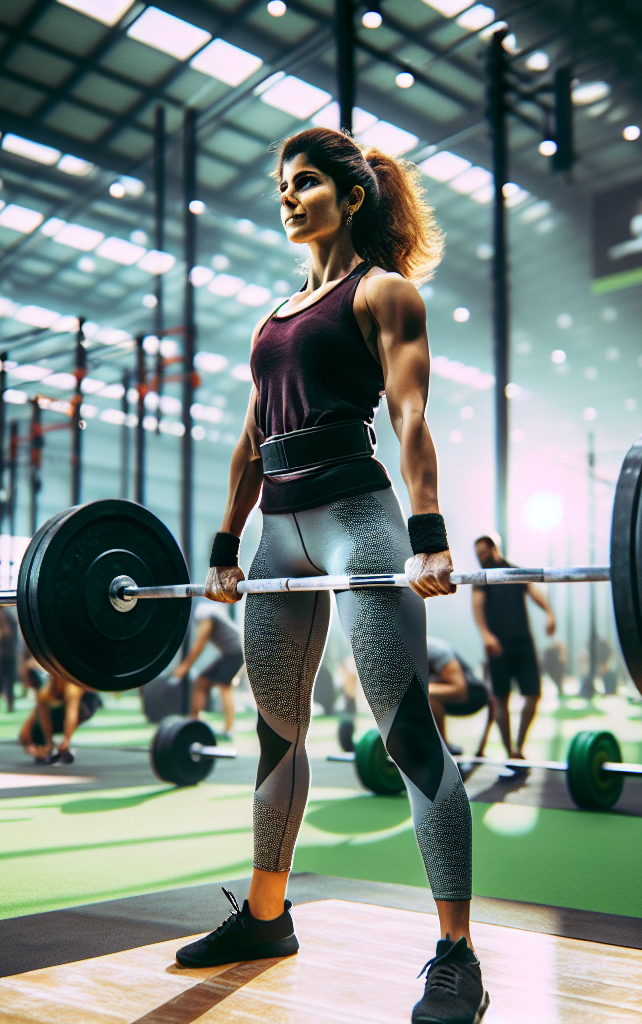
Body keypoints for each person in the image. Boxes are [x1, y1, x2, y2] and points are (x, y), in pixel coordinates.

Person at [174, 127, 487, 1024]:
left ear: (351, 198)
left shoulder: (384, 292)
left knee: (408, 737)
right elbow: (248, 439)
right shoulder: (271, 318)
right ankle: (266, 918)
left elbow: (412, 411)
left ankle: (457, 955)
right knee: (278, 733)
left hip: (359, 521)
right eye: (282, 184)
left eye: (305, 182)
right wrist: (226, 546)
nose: (287, 196)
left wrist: (428, 535)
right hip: (278, 532)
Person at [472, 533, 556, 761]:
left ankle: (519, 745)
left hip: (523, 642)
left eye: (484, 552)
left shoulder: (515, 572)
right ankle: (511, 752)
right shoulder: (481, 578)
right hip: (497, 646)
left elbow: (533, 591)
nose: (481, 557)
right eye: (478, 554)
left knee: (533, 695)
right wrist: (486, 635)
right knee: (501, 699)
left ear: (494, 549)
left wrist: (549, 613)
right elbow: (477, 607)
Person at [170, 600, 245, 739]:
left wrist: (184, 667)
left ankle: (229, 730)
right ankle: (194, 722)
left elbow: (201, 642)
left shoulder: (204, 612)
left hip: (235, 653)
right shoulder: (204, 612)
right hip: (229, 653)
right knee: (202, 681)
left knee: (224, 686)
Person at [425, 635, 491, 757]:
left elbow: (460, 691)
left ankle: (444, 748)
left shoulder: (436, 650)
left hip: (472, 696)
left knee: (425, 694)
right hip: (444, 698)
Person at [19, 671, 101, 764]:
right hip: (63, 701)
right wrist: (47, 743)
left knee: (72, 698)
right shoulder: (46, 690)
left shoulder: (72, 688)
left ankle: (49, 747)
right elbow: (37, 718)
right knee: (28, 734)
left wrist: (66, 741)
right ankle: (43, 747)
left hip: (86, 705)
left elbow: (71, 713)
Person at [0, 607, 18, 712]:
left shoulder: (11, 625)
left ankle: (10, 704)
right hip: (1, 658)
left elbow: (14, 640)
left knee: (10, 680)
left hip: (10, 656)